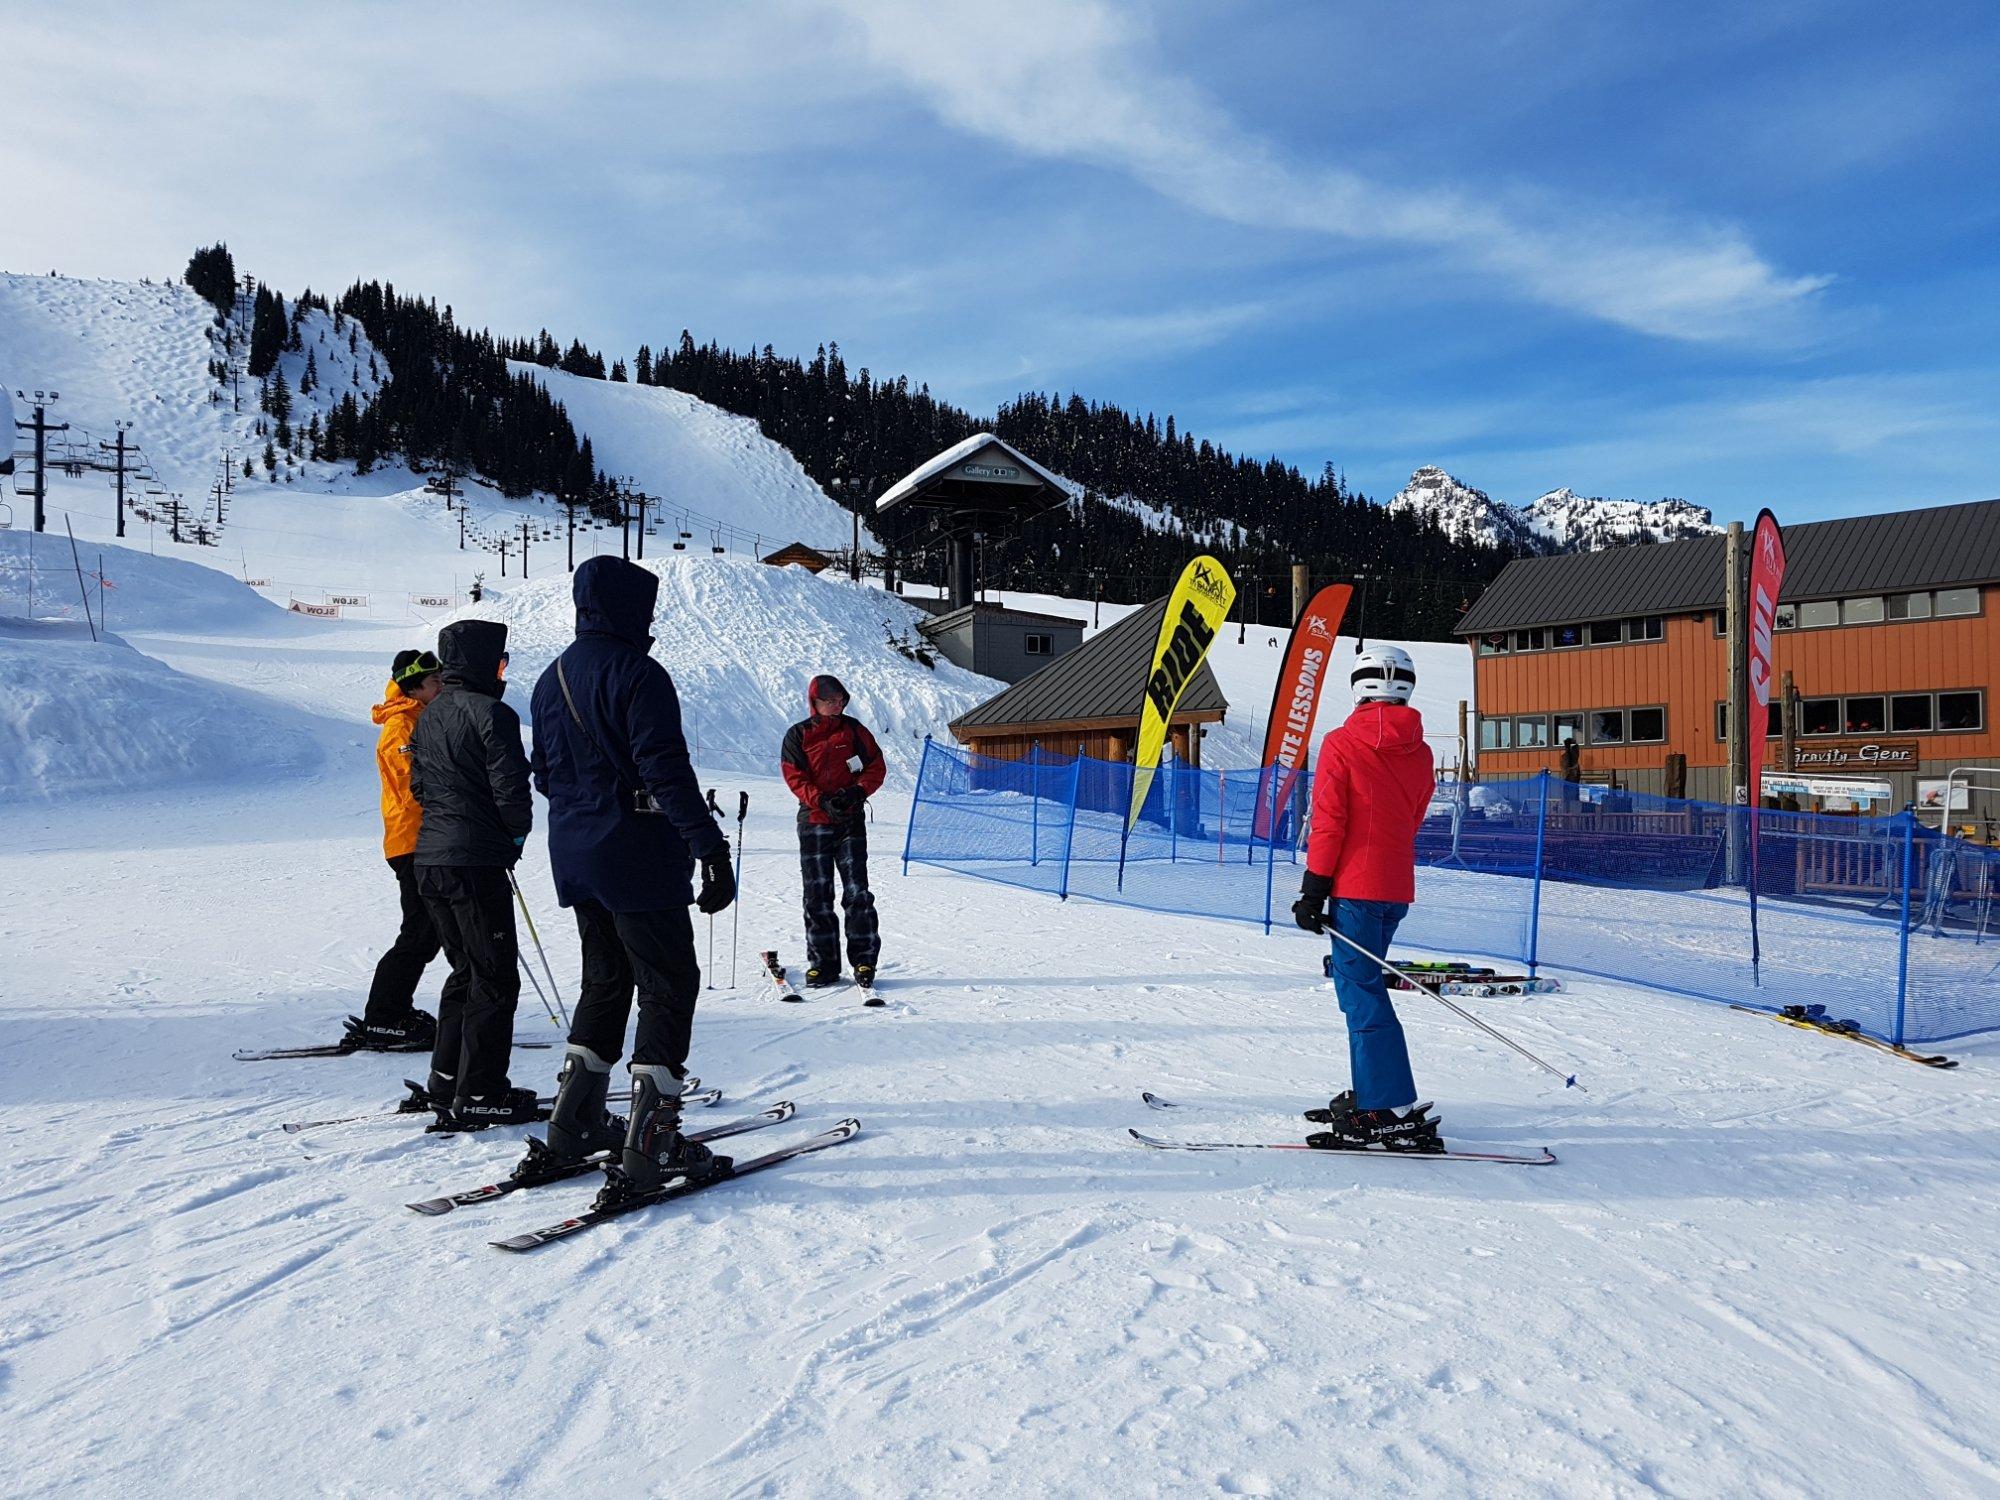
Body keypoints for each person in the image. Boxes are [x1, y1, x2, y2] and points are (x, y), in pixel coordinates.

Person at [528, 557, 735, 1199]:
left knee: (607, 978)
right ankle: (653, 1143)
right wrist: (710, 848)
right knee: (670, 982)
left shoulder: (549, 677)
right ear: (627, 608)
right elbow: (665, 770)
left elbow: (544, 774)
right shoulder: (638, 673)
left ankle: (574, 1123)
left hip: (574, 853)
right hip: (636, 855)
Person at [1290, 644, 1440, 1152]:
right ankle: (1376, 1090)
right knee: (1363, 987)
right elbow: (1414, 815)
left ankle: (1387, 1105)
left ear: (1358, 685)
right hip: (1394, 886)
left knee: (1361, 994)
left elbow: (1330, 821)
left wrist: (1314, 888)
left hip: (1354, 886)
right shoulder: (1419, 750)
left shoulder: (1341, 743)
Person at [408, 619, 537, 1129]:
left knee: (465, 972)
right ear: (487, 662)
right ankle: (480, 1090)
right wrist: (513, 837)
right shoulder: (493, 713)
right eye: (502, 660)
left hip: (431, 859)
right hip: (474, 861)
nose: (504, 670)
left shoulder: (429, 714)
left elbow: (420, 788)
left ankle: (447, 1080)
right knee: (494, 977)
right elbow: (512, 790)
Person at [340, 649, 445, 1053]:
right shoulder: (400, 726)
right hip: (412, 841)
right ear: (415, 688)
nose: (441, 686)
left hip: (427, 839)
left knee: (428, 931)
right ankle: (384, 1017)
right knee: (419, 931)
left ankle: (392, 1010)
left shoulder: (420, 717)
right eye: (434, 682)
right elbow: (412, 787)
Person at [780, 674, 886, 987]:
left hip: (850, 822)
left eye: (840, 700)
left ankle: (864, 962)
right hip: (814, 823)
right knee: (817, 896)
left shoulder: (854, 731)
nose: (837, 705)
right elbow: (794, 777)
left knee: (858, 894)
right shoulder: (798, 735)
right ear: (815, 702)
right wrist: (822, 801)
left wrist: (857, 792)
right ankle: (823, 964)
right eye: (830, 701)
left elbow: (876, 766)